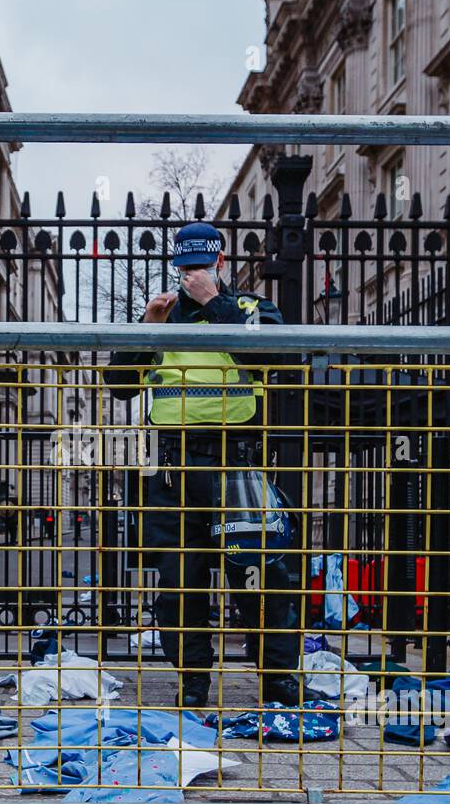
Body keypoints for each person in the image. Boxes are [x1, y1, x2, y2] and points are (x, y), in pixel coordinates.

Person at [105, 222, 304, 709]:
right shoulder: (164, 317)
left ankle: (278, 682)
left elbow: (276, 353)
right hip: (174, 470)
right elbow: (120, 384)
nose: (191, 275)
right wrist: (148, 325)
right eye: (185, 267)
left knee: (262, 578)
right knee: (179, 585)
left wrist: (217, 303)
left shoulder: (250, 309)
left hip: (235, 467)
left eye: (200, 265)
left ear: (219, 262)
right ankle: (192, 683)